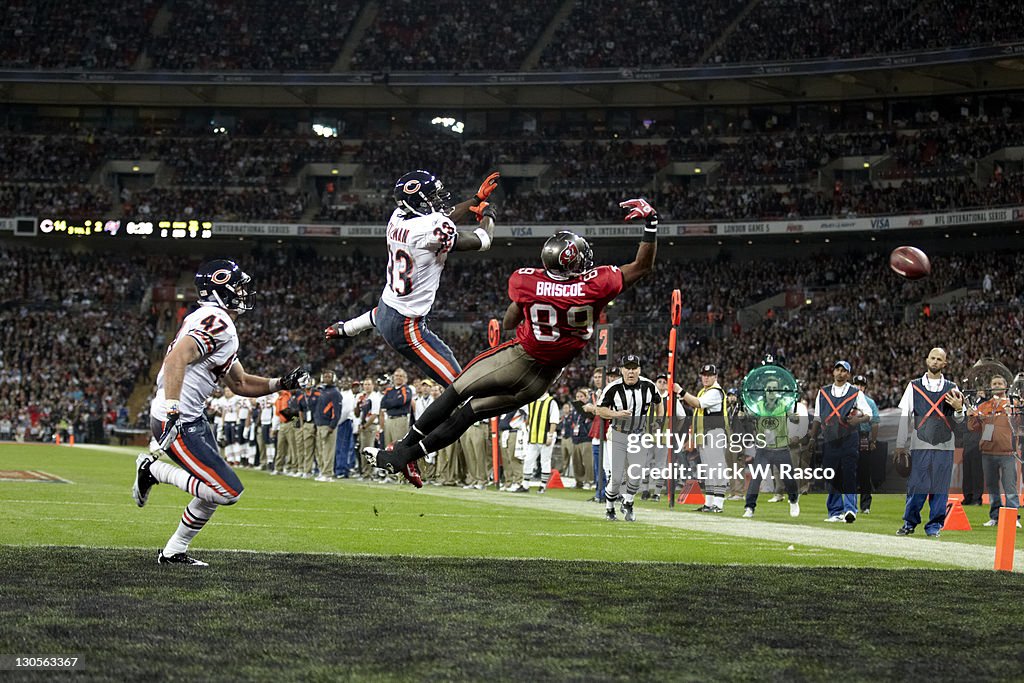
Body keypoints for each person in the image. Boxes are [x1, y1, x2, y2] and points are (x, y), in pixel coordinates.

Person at [362, 197, 660, 485]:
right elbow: (642, 267)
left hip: (519, 359)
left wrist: (527, 306)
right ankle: (407, 457)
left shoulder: (526, 281)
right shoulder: (597, 284)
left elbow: (508, 323)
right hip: (543, 379)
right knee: (470, 413)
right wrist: (650, 225)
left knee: (456, 392)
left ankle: (403, 448)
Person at [131, 259, 311, 566]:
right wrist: (174, 409)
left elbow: (239, 383)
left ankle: (174, 551)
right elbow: (176, 359)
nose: (243, 293)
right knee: (227, 491)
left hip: (190, 416)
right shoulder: (218, 321)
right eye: (238, 287)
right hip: (177, 418)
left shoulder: (215, 322)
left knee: (212, 489)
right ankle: (153, 470)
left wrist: (281, 383)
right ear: (220, 290)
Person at [325, 170, 499, 386]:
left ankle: (346, 328)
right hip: (407, 326)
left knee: (382, 316)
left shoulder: (397, 217)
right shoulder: (428, 228)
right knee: (460, 386)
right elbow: (482, 240)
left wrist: (476, 199)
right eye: (432, 198)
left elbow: (441, 218)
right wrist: (488, 215)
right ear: (417, 203)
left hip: (388, 305)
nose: (438, 200)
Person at [894, 348, 966, 537]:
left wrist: (959, 410)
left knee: (940, 488)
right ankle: (909, 523)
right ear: (927, 360)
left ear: (945, 364)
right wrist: (900, 444)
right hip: (920, 444)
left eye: (939, 359)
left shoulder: (953, 387)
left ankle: (934, 527)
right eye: (932, 358)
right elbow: (904, 417)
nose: (935, 361)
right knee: (917, 486)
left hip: (944, 445)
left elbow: (959, 421)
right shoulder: (914, 386)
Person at [588, 354, 661, 521]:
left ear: (639, 370)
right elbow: (599, 410)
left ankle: (628, 503)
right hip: (618, 434)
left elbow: (659, 403)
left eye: (634, 368)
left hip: (639, 435)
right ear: (622, 370)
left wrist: (657, 421)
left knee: (636, 474)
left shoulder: (649, 386)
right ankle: (610, 507)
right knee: (617, 477)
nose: (631, 371)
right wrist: (616, 413)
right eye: (627, 368)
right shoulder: (612, 388)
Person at [808, 361, 872, 523]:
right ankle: (835, 511)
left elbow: (868, 414)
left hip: (849, 438)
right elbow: (817, 417)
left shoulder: (855, 393)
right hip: (830, 438)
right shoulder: (823, 392)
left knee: (849, 473)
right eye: (838, 369)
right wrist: (813, 438)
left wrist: (857, 421)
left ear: (848, 375)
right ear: (833, 372)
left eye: (844, 371)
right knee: (832, 474)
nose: (840, 373)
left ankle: (850, 509)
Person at [742, 378, 800, 519]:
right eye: (769, 389)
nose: (772, 391)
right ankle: (749, 507)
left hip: (781, 448)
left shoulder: (785, 405)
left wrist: (794, 417)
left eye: (775, 389)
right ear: (765, 391)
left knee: (789, 479)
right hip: (764, 449)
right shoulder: (758, 406)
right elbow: (749, 417)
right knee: (756, 479)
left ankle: (793, 500)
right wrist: (744, 416)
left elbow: (794, 418)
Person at [968, 375, 1020, 527]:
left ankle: (1013, 517)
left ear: (1005, 386)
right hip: (988, 453)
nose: (997, 385)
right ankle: (995, 516)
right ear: (991, 387)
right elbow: (974, 428)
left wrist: (1016, 411)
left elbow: (1020, 424)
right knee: (992, 487)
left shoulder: (1013, 404)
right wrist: (971, 417)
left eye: (1000, 383)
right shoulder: (984, 406)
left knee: (1010, 486)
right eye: (994, 383)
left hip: (1007, 452)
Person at [680, 364, 730, 512]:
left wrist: (681, 391)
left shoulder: (715, 392)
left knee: (717, 468)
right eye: (704, 374)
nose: (706, 377)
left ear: (715, 377)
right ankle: (708, 503)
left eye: (709, 375)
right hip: (705, 434)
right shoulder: (705, 391)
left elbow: (698, 403)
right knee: (708, 469)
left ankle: (719, 503)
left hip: (715, 432)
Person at [521, 388, 561, 492]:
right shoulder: (532, 401)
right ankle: (525, 485)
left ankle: (543, 485)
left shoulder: (551, 402)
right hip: (533, 437)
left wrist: (550, 435)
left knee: (545, 461)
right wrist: (526, 426)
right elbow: (529, 416)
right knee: (528, 460)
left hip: (545, 436)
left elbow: (554, 419)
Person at [852, 374, 880, 514]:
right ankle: (850, 505)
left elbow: (875, 423)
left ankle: (865, 505)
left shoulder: (870, 402)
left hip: (863, 437)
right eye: (857, 384)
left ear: (865, 387)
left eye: (861, 385)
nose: (859, 387)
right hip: (849, 437)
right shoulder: (848, 400)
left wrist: (873, 441)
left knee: (864, 472)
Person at [312, 370, 342, 482]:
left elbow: (337, 411)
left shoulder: (335, 393)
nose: (326, 378)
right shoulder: (322, 391)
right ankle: (322, 471)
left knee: (328, 451)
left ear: (333, 378)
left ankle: (328, 473)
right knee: (320, 450)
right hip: (320, 424)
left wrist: (332, 425)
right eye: (325, 376)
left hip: (328, 425)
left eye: (329, 377)